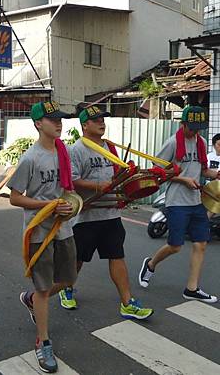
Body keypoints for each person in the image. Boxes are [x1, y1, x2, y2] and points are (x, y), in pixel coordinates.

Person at [58, 105, 154, 320]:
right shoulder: (76, 149)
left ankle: (127, 302)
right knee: (78, 259)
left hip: (110, 214)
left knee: (117, 256)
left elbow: (118, 176)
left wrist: (129, 185)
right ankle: (66, 287)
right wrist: (98, 186)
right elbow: (71, 181)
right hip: (86, 216)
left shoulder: (110, 148)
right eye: (96, 120)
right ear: (85, 125)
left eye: (103, 119)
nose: (102, 122)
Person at [8, 101, 77, 374]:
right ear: (38, 124)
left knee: (67, 279)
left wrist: (70, 205)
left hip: (64, 228)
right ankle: (43, 341)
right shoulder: (30, 158)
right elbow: (14, 197)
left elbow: (67, 191)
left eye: (59, 119)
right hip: (39, 232)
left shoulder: (64, 153)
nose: (58, 123)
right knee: (45, 289)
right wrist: (47, 206)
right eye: (52, 120)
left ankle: (31, 299)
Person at [138, 105, 220, 303]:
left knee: (200, 244)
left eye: (198, 128)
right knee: (175, 246)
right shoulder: (172, 143)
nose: (195, 132)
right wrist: (183, 179)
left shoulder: (201, 142)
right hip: (176, 202)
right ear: (182, 124)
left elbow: (204, 171)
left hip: (197, 201)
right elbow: (157, 171)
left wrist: (217, 174)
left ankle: (192, 288)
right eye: (191, 127)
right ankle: (151, 264)